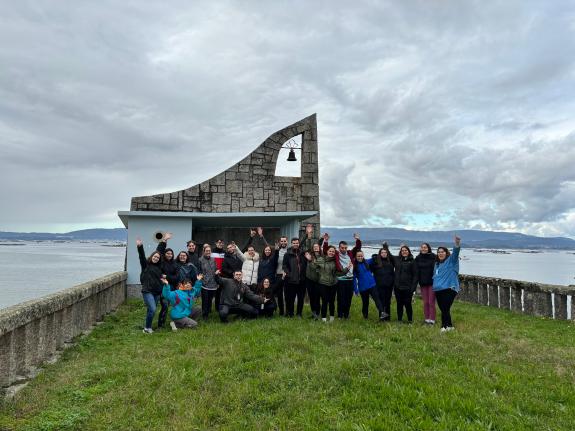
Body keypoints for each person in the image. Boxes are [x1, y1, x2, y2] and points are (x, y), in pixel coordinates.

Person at [322, 232, 361, 319]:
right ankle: (340, 315)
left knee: (348, 299)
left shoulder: (350, 253)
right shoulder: (336, 254)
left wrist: (357, 239)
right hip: (340, 279)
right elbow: (326, 250)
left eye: (345, 248)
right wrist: (326, 241)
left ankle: (346, 314)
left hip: (350, 279)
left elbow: (358, 248)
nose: (344, 249)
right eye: (342, 248)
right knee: (340, 298)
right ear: (339, 248)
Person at [136, 238, 168, 334]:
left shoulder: (159, 268)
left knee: (150, 310)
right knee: (153, 309)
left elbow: (160, 251)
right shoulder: (145, 264)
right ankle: (147, 328)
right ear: (152, 256)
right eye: (155, 256)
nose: (156, 258)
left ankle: (147, 326)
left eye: (158, 257)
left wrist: (164, 241)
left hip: (157, 292)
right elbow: (141, 256)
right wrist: (140, 246)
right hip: (147, 291)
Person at [308, 245, 345, 322]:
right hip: (323, 284)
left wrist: (347, 269)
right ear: (327, 251)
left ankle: (332, 317)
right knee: (324, 301)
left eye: (333, 252)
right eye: (330, 251)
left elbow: (339, 273)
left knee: (332, 301)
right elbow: (314, 267)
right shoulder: (321, 259)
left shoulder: (336, 261)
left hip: (333, 284)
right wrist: (310, 260)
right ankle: (324, 318)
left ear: (335, 253)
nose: (331, 253)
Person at [434, 236, 462, 332]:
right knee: (443, 309)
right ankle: (449, 326)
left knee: (445, 307)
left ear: (446, 253)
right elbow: (435, 276)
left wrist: (457, 244)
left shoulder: (451, 261)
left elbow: (456, 253)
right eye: (439, 252)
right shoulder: (437, 264)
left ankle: (443, 326)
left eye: (442, 252)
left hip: (450, 288)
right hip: (438, 289)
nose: (440, 253)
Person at [353, 250, 383, 320]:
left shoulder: (367, 261)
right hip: (363, 288)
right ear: (356, 257)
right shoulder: (355, 266)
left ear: (363, 256)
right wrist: (356, 290)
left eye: (361, 256)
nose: (360, 257)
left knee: (377, 299)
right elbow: (354, 279)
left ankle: (382, 313)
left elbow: (376, 257)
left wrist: (375, 255)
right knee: (365, 303)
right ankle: (365, 317)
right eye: (358, 256)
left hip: (372, 285)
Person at [282, 237, 307, 317]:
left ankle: (299, 313)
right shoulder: (287, 254)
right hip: (291, 280)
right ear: (291, 244)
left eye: (297, 243)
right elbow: (284, 266)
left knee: (300, 298)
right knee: (291, 298)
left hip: (302, 280)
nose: (295, 244)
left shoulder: (302, 253)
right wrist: (289, 274)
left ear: (299, 244)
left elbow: (305, 264)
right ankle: (291, 313)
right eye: (294, 243)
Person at [369, 246, 395, 321]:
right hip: (379, 285)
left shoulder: (391, 261)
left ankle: (388, 317)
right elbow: (369, 270)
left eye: (385, 252)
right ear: (379, 254)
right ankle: (382, 317)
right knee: (381, 302)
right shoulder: (375, 262)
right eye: (382, 252)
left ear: (387, 253)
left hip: (389, 285)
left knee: (387, 302)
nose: (384, 254)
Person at [394, 245, 419, 323]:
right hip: (398, 287)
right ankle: (399, 320)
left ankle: (410, 320)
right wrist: (385, 246)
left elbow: (416, 275)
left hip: (408, 287)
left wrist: (413, 288)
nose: (404, 252)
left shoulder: (413, 261)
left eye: (405, 250)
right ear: (400, 252)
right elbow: (389, 255)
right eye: (402, 250)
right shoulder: (398, 260)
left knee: (408, 304)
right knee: (399, 304)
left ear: (408, 251)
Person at [415, 243, 436, 324]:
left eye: (425, 247)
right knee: (425, 302)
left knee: (431, 302)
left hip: (432, 283)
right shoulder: (418, 258)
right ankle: (427, 319)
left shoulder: (433, 257)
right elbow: (414, 269)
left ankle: (432, 320)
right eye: (422, 247)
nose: (423, 249)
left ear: (428, 248)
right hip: (423, 283)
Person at [198, 244, 219, 320]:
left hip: (213, 283)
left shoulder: (213, 259)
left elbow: (216, 268)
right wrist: (203, 280)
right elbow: (199, 271)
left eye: (209, 251)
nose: (208, 252)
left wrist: (217, 271)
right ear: (203, 252)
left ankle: (209, 311)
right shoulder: (200, 260)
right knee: (205, 300)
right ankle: (204, 315)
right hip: (205, 284)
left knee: (210, 299)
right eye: (206, 251)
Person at [303, 243, 322, 319]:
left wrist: (311, 260)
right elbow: (306, 247)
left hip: (318, 280)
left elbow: (317, 267)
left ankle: (317, 313)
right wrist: (309, 237)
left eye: (317, 247)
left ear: (319, 248)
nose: (316, 248)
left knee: (317, 298)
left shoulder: (321, 257)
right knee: (311, 297)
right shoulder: (309, 255)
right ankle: (313, 313)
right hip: (309, 279)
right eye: (314, 247)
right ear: (312, 248)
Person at [272, 236, 289, 316]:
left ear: (287, 242)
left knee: (287, 294)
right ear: (279, 242)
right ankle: (281, 312)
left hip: (287, 275)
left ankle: (288, 312)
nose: (283, 242)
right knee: (279, 294)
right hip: (278, 275)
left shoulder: (289, 251)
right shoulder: (277, 251)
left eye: (284, 241)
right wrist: (262, 236)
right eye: (281, 241)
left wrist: (307, 236)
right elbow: (274, 262)